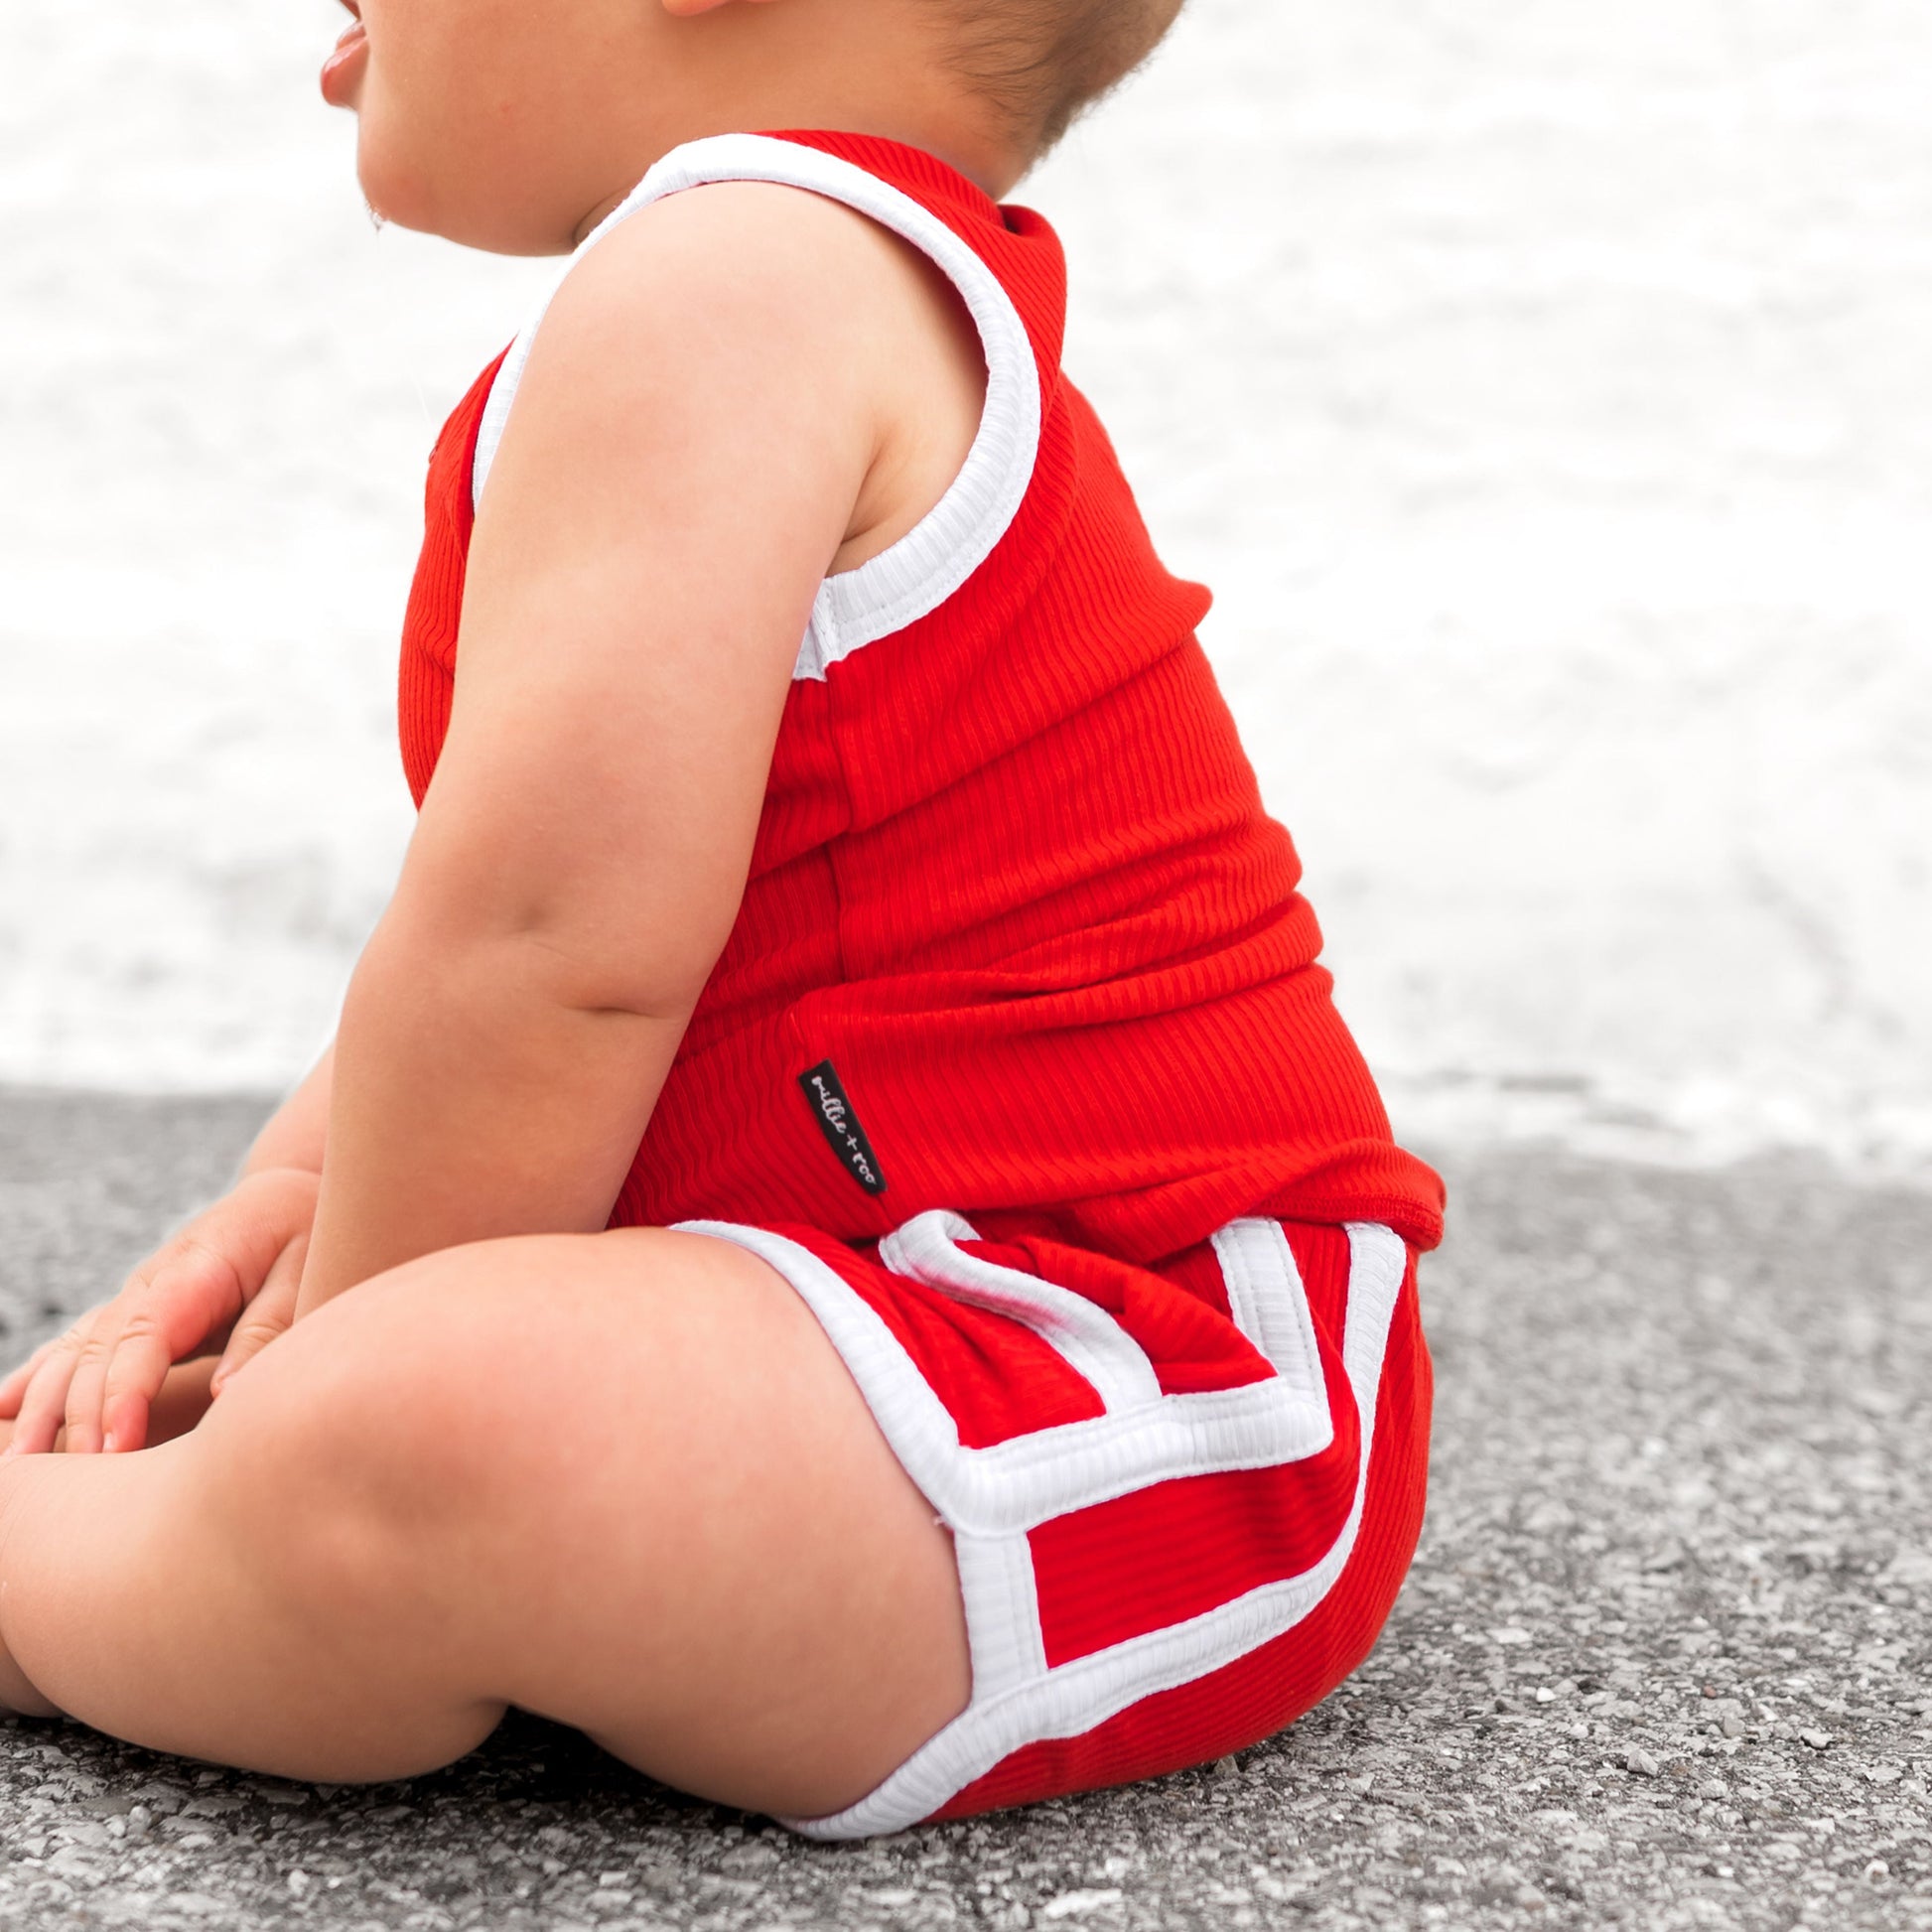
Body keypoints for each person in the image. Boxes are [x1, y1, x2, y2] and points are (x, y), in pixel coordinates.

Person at [0, 0, 1444, 1836]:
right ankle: (262, 1540)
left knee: (424, 1425)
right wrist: (304, 1194)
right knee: (425, 1396)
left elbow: (548, 961)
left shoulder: (738, 279)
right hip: (893, 1301)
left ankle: (76, 1578)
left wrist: (313, 1378)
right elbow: (508, 923)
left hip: (1139, 1390)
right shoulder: (766, 278)